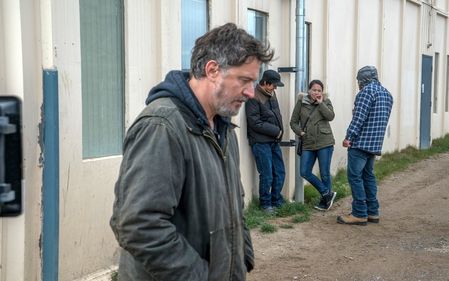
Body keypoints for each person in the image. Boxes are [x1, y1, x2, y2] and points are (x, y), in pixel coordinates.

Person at [109, 23, 274, 280]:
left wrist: (242, 259)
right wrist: (201, 276)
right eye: (245, 80)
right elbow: (138, 225)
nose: (251, 93)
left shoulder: (223, 129)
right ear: (212, 70)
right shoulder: (162, 127)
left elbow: (233, 204)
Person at [337, 66, 393, 226]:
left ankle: (359, 213)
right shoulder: (387, 94)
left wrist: (349, 137)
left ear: (363, 79)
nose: (358, 84)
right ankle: (372, 212)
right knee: (368, 176)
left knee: (355, 177)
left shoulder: (366, 93)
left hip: (360, 143)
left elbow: (359, 118)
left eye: (358, 81)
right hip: (375, 143)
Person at [290, 80, 337, 211]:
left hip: (324, 142)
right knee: (304, 171)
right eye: (314, 90)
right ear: (309, 90)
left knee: (324, 173)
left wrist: (321, 103)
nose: (316, 92)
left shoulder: (326, 101)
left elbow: (330, 116)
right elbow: (293, 122)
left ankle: (325, 202)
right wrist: (300, 132)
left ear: (322, 92)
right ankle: (327, 193)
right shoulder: (301, 102)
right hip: (308, 142)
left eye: (319, 90)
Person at [245, 69, 286, 214]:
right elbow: (255, 122)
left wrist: (279, 133)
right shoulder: (253, 97)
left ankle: (276, 200)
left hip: (273, 141)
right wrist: (276, 131)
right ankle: (265, 204)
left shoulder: (271, 94)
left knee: (280, 172)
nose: (275, 88)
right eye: (274, 85)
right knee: (267, 174)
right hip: (261, 142)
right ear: (265, 83)